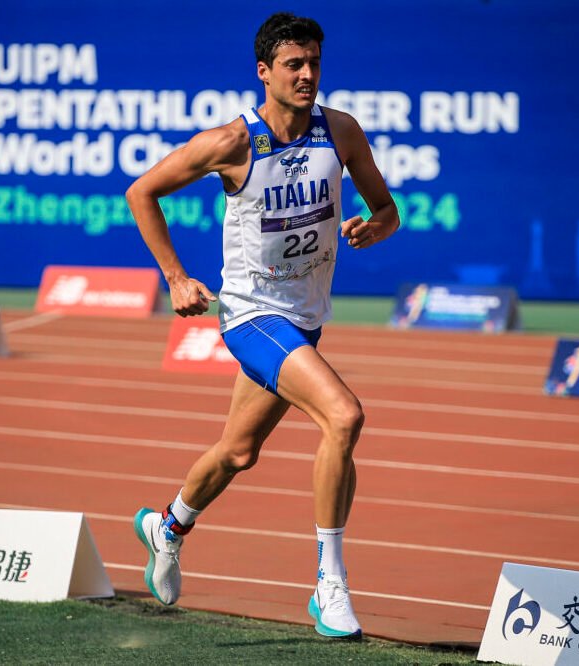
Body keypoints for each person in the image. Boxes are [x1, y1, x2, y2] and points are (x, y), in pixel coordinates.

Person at [125, 12, 399, 640]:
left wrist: (373, 227)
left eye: (314, 64)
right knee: (344, 415)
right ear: (264, 73)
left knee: (239, 452)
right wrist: (175, 277)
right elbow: (143, 192)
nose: (307, 76)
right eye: (293, 66)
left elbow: (387, 211)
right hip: (250, 315)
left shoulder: (342, 132)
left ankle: (167, 526)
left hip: (305, 319)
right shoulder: (231, 143)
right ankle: (329, 584)